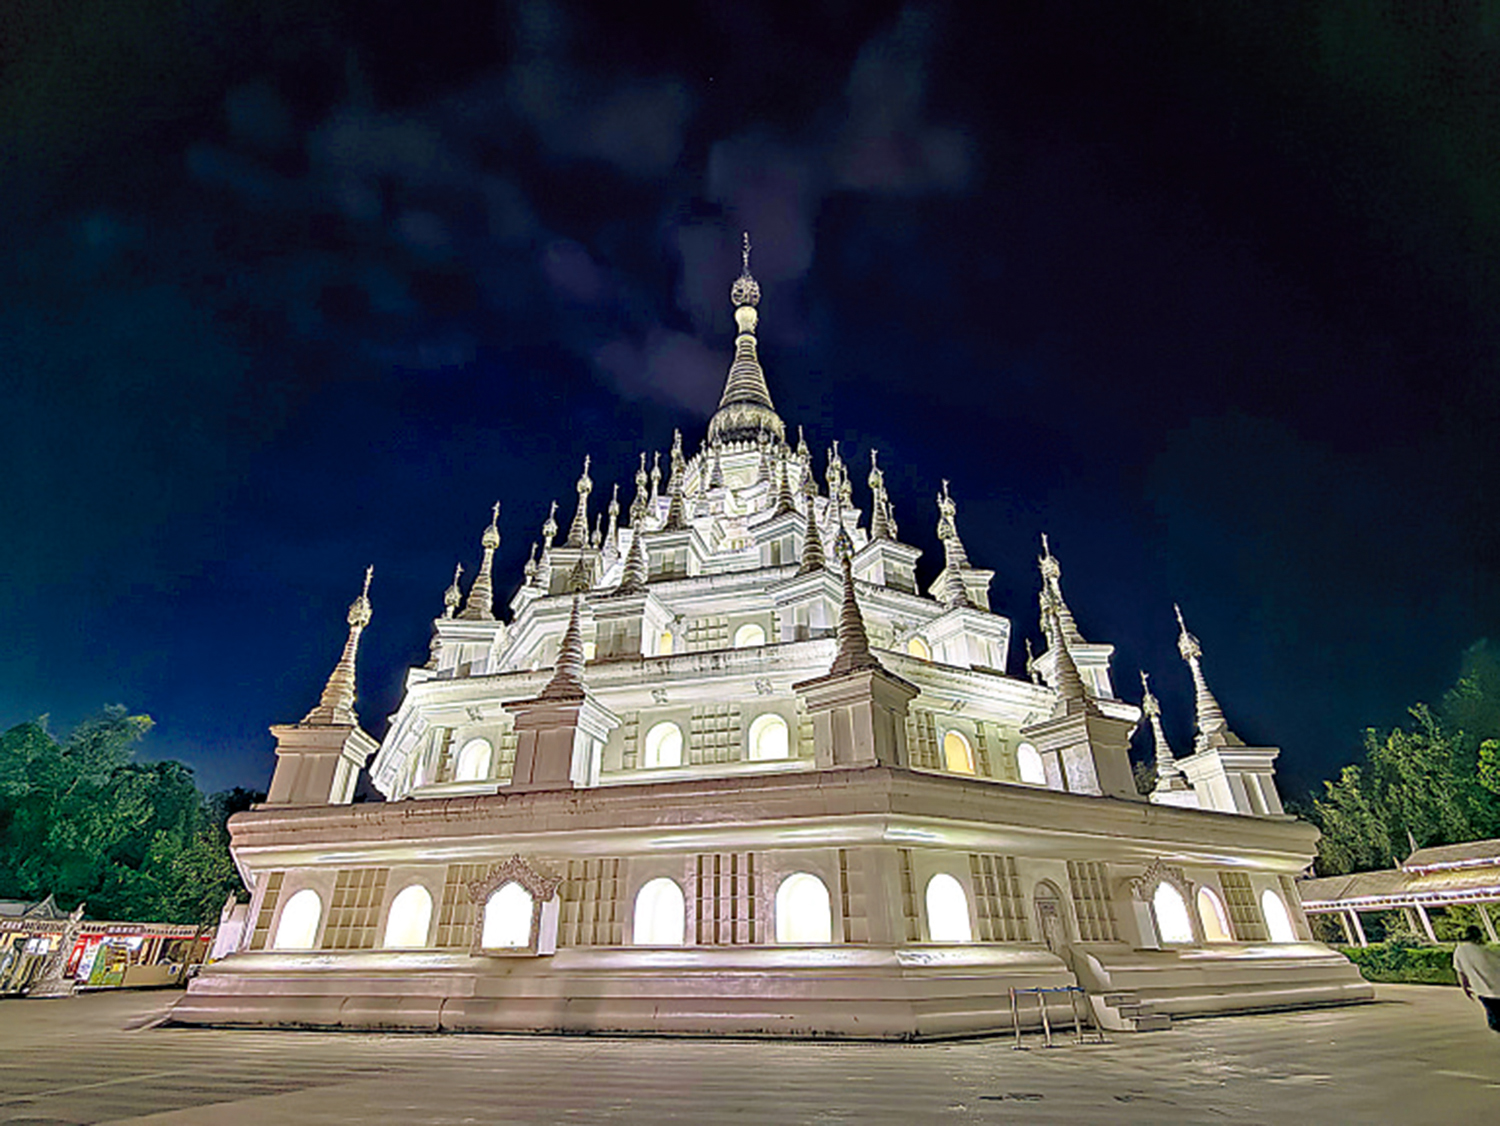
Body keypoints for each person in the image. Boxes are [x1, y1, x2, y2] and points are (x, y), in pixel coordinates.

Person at [1453, 924, 1500, 1033]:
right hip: (1496, 988)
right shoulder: (1486, 950)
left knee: (1495, 1020)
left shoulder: (1460, 951)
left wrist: (1465, 987)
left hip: (1482, 990)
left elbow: (1461, 972)